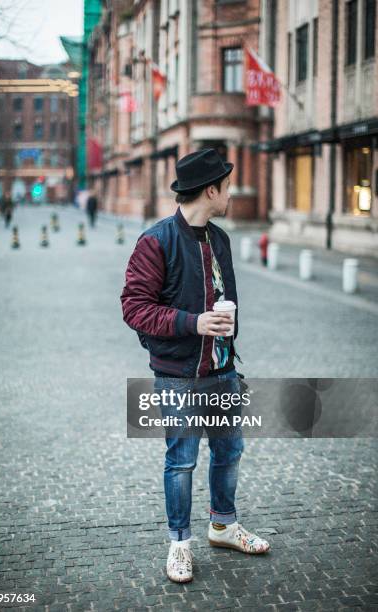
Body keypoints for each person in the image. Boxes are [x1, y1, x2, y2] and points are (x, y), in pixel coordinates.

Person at [120, 149, 270, 584]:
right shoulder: (156, 241)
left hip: (222, 370)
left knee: (229, 452)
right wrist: (194, 322)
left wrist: (227, 328)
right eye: (227, 185)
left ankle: (223, 526)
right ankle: (180, 545)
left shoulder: (219, 239)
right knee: (181, 461)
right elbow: (134, 308)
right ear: (211, 189)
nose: (231, 193)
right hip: (178, 375)